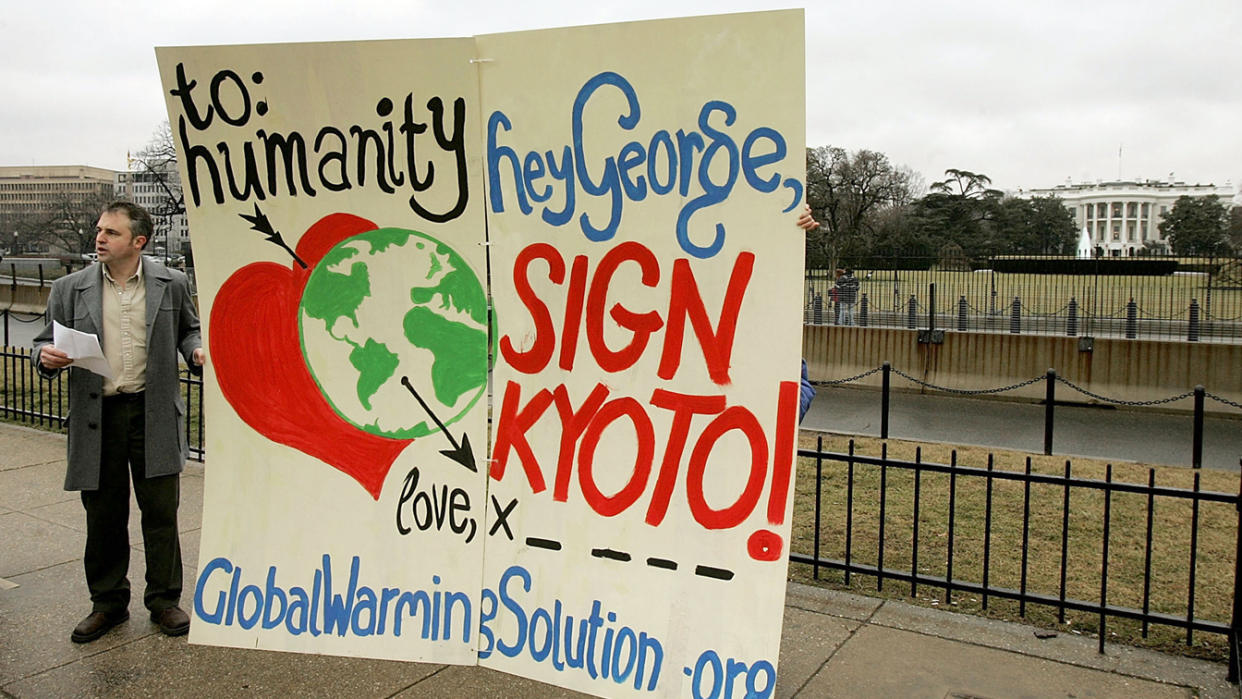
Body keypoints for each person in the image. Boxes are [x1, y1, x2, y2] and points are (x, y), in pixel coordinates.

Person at [31, 201, 205, 643]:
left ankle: (165, 601)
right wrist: (45, 358)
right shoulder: (70, 289)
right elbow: (44, 343)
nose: (99, 238)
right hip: (98, 417)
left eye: (111, 232)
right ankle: (107, 603)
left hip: (154, 412)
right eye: (100, 230)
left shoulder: (172, 283)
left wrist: (196, 351)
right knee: (104, 516)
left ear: (138, 242)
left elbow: (189, 329)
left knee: (161, 512)